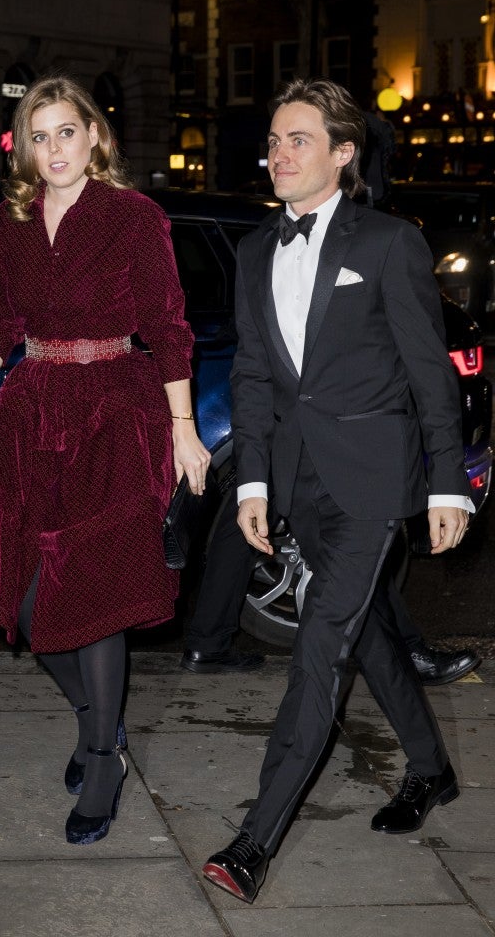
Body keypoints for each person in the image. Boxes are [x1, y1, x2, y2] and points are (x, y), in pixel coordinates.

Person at [202, 77, 474, 904]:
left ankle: (252, 843)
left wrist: (448, 484)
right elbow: (253, 375)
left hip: (373, 480)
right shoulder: (256, 249)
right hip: (296, 479)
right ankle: (429, 769)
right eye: (273, 142)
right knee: (366, 633)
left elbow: (430, 372)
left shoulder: (389, 242)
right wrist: (253, 479)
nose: (279, 155)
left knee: (320, 644)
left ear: (343, 153)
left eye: (299, 140)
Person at [0, 74, 210, 846]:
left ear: (94, 136)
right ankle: (101, 724)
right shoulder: (10, 220)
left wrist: (183, 429)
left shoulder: (133, 216)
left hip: (116, 410)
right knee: (29, 601)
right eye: (40, 135)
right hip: (34, 412)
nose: (54, 148)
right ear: (24, 147)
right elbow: (1, 317)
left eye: (66, 131)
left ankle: (100, 763)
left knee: (93, 594)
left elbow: (168, 326)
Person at [181, 479, 480, 684]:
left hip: (277, 426)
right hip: (308, 428)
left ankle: (208, 641)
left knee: (244, 519)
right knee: (357, 544)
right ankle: (405, 653)